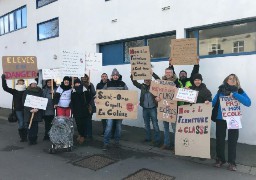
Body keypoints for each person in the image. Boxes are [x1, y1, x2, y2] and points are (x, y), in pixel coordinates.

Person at [213, 74, 251, 171]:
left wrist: (234, 94)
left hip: (233, 119)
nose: (232, 80)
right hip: (220, 119)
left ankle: (232, 162)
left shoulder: (239, 90)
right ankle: (220, 159)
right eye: (230, 78)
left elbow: (248, 102)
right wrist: (207, 103)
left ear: (237, 81)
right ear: (226, 80)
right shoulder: (220, 90)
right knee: (220, 140)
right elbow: (213, 102)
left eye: (234, 79)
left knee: (232, 141)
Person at [130, 72, 161, 146]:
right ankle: (148, 138)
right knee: (146, 124)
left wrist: (153, 73)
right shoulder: (142, 86)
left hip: (153, 108)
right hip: (145, 108)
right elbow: (134, 82)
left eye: (148, 78)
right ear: (144, 80)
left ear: (150, 79)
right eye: (145, 79)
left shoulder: (154, 86)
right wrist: (133, 75)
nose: (147, 80)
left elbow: (159, 80)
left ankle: (157, 140)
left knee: (155, 124)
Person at [102, 68, 128, 150]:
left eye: (117, 75)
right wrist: (96, 98)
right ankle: (106, 143)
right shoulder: (108, 84)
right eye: (114, 75)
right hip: (110, 109)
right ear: (112, 76)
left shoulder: (123, 84)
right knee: (109, 126)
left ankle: (117, 142)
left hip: (120, 109)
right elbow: (102, 93)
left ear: (118, 76)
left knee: (119, 127)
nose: (116, 76)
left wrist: (133, 102)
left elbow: (128, 95)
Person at [155, 68, 178, 150]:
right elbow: (157, 92)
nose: (168, 74)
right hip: (163, 108)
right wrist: (157, 98)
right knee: (165, 128)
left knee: (175, 128)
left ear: (172, 73)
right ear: (165, 73)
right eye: (166, 72)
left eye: (169, 72)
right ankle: (166, 143)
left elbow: (180, 94)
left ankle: (177, 146)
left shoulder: (177, 82)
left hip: (173, 109)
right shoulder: (161, 82)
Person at [1, 74, 27, 142]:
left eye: (22, 81)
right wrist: (3, 79)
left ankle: (26, 135)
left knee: (25, 123)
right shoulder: (14, 91)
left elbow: (34, 87)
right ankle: (22, 137)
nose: (21, 82)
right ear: (17, 82)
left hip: (26, 109)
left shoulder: (26, 90)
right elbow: (5, 88)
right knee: (21, 122)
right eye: (19, 81)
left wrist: (37, 77)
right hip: (18, 110)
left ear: (24, 82)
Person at [71, 78, 92, 144]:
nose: (77, 84)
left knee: (84, 124)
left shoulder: (85, 91)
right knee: (78, 124)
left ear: (80, 83)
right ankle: (80, 134)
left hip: (84, 110)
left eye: (78, 83)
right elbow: (72, 101)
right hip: (76, 110)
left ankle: (82, 136)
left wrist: (90, 89)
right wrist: (72, 109)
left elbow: (89, 99)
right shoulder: (73, 91)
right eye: (76, 83)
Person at [22, 79, 43, 145]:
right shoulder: (26, 92)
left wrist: (37, 108)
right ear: (30, 84)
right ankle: (30, 139)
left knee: (35, 126)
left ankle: (34, 139)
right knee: (29, 125)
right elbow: (24, 101)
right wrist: (30, 109)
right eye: (32, 84)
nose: (34, 85)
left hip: (36, 111)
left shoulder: (39, 91)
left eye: (35, 84)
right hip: (29, 112)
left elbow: (42, 101)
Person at [81, 74, 96, 139]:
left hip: (90, 105)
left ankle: (89, 135)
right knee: (83, 120)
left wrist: (90, 88)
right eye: (83, 77)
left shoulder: (91, 84)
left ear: (87, 78)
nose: (84, 78)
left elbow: (93, 93)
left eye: (85, 77)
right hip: (82, 105)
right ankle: (83, 134)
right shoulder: (79, 84)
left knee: (89, 120)